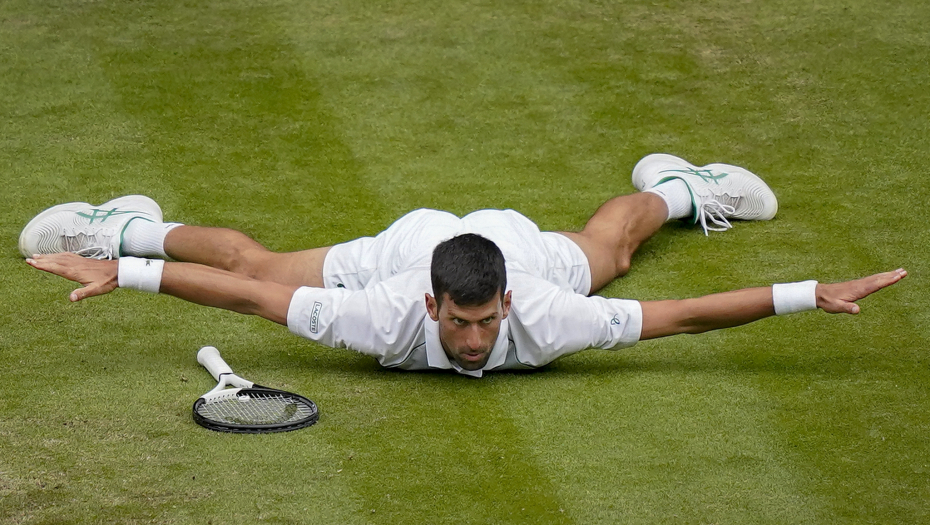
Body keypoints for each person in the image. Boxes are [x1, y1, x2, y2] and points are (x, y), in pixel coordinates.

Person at [21, 154, 906, 377]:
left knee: (618, 246)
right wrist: (129, 276)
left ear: (508, 304)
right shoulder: (382, 307)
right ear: (433, 305)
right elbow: (248, 293)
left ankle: (680, 186)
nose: (476, 338)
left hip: (512, 242)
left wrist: (805, 295)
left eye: (486, 322)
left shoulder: (550, 314)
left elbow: (681, 314)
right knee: (260, 258)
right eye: (462, 321)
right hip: (410, 241)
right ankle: (126, 229)